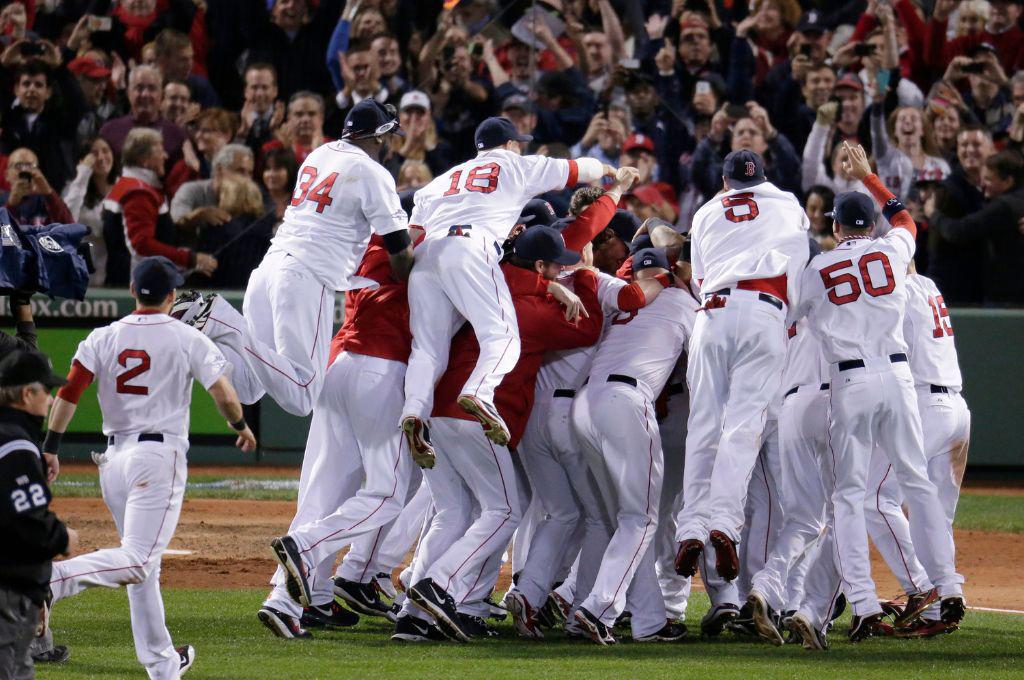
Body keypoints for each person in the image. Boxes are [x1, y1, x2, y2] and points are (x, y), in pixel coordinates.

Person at [788, 142, 965, 644]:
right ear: (872, 224)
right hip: (901, 379)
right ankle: (946, 584)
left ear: (837, 228)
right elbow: (906, 219)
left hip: (851, 381)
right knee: (916, 483)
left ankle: (863, 602)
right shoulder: (893, 247)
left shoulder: (818, 269)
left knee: (850, 495)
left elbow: (785, 318)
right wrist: (871, 177)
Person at [173, 100, 413, 417]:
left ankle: (203, 336)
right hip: (305, 277)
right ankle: (219, 319)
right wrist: (413, 280)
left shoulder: (320, 153)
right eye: (390, 135)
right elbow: (400, 252)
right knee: (302, 396)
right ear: (380, 137)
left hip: (269, 269)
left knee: (246, 388)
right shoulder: (373, 173)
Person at [398, 116, 613, 462]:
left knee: (428, 349)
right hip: (472, 244)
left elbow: (413, 238)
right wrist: (610, 172)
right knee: (502, 337)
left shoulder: (439, 181)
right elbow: (580, 169)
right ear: (511, 144)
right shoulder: (515, 164)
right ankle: (480, 393)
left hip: (425, 256)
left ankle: (413, 412)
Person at [674, 149, 808, 585]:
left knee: (704, 427)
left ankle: (690, 528)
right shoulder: (788, 204)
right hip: (763, 310)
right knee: (742, 428)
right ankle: (724, 526)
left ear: (726, 180)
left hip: (710, 315)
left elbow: (698, 278)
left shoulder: (706, 211)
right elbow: (799, 274)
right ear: (763, 177)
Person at [571, 248, 696, 645]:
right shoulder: (682, 301)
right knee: (641, 519)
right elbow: (703, 363)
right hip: (627, 401)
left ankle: (649, 620)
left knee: (625, 521)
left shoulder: (620, 297)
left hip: (584, 404)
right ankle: (597, 607)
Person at [0, 350, 76, 680]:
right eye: (46, 390)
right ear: (27, 393)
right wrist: (62, 537)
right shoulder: (15, 444)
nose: (51, 397)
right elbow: (25, 526)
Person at [102, 128, 217, 286]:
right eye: (160, 151)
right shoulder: (138, 192)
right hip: (136, 288)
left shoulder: (130, 185)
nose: (165, 156)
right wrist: (190, 259)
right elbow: (141, 245)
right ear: (144, 159)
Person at [926, 150, 1024, 305]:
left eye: (988, 179)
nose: (983, 184)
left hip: (1006, 298)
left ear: (1008, 181)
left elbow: (957, 231)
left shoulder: (1003, 206)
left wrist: (932, 213)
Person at [0, 56, 87, 194]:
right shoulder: (8, 119)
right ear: (16, 89)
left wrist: (59, 67)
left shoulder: (59, 120)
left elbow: (78, 105)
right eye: (26, 84)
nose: (32, 89)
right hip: (11, 195)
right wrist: (3, 67)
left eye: (39, 85)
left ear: (48, 92)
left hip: (53, 197)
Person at [99, 65, 188, 170]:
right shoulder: (109, 131)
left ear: (161, 95)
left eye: (152, 88)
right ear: (128, 93)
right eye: (139, 88)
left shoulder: (177, 136)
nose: (145, 94)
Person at [62, 136, 116, 286]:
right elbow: (66, 221)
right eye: (94, 154)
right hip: (86, 276)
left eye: (105, 151)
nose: (101, 157)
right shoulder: (73, 188)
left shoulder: (122, 187)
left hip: (118, 273)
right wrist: (84, 172)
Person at [0, 147, 73, 226]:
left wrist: (49, 194)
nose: (24, 170)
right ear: (6, 175)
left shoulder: (49, 201)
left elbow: (69, 229)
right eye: (18, 165)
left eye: (30, 165)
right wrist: (10, 205)